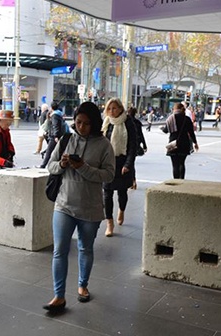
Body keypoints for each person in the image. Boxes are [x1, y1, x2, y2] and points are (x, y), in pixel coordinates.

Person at [42, 102, 115, 314]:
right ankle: (59, 295)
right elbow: (50, 165)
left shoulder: (104, 145)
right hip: (64, 204)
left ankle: (83, 285)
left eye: (86, 123)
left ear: (94, 124)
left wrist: (82, 167)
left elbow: (109, 175)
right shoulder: (67, 139)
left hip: (90, 208)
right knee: (59, 251)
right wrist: (64, 165)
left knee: (85, 248)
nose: (81, 126)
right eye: (78, 122)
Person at [101, 98, 137, 237]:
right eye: (109, 109)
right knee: (107, 194)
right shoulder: (106, 123)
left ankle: (121, 210)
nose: (112, 111)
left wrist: (128, 164)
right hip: (108, 163)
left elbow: (133, 146)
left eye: (114, 108)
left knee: (122, 192)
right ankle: (109, 222)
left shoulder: (128, 122)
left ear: (121, 108)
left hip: (122, 162)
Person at [162, 103, 199, 179]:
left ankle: (176, 180)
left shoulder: (170, 118)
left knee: (175, 164)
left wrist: (162, 128)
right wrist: (195, 143)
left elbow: (166, 130)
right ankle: (182, 180)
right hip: (184, 143)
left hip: (173, 143)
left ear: (174, 109)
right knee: (182, 163)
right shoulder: (187, 119)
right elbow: (191, 133)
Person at [40, 102, 66, 168]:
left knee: (49, 151)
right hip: (58, 135)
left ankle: (43, 165)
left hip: (54, 136)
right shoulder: (59, 114)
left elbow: (55, 126)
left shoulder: (54, 116)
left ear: (51, 108)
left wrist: (55, 136)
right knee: (58, 150)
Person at [127, 107, 147, 189]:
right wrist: (144, 145)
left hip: (127, 145)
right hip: (135, 145)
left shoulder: (126, 122)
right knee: (131, 164)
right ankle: (133, 181)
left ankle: (130, 181)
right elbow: (141, 135)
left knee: (128, 164)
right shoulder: (137, 122)